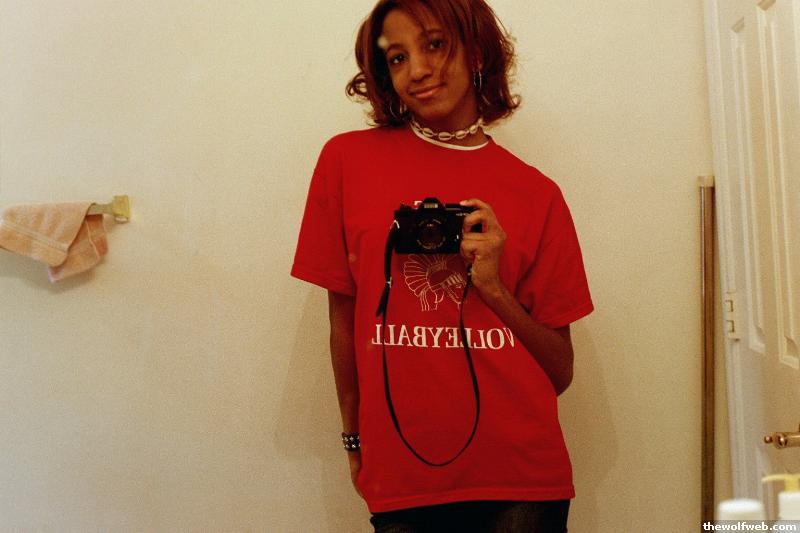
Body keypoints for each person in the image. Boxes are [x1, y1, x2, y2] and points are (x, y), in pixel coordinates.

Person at [291, 0, 594, 531]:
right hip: (404, 471)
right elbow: (344, 319)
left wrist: (493, 287)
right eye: (397, 58)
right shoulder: (346, 162)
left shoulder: (537, 193)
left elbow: (559, 371)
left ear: (476, 50)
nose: (418, 70)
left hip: (522, 478)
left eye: (434, 45)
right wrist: (354, 437)